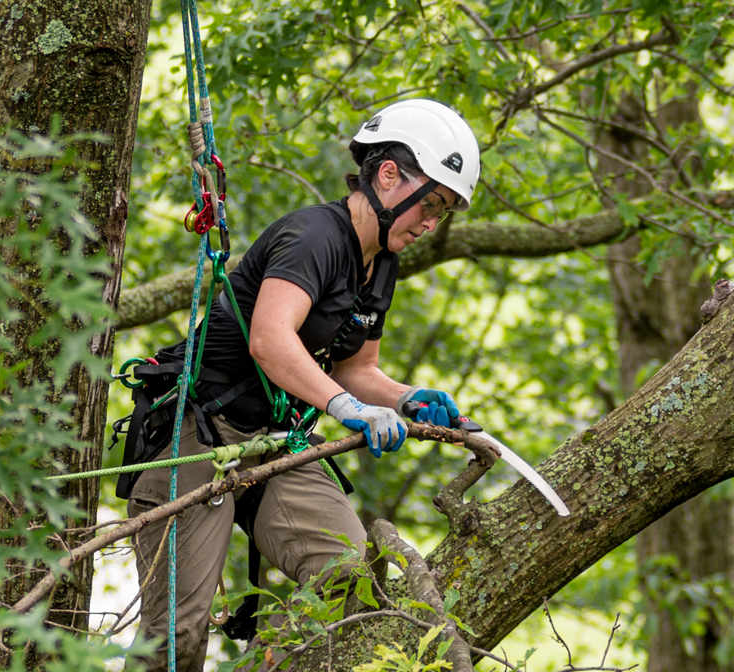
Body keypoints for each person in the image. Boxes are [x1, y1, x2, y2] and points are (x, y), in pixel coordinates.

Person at [124, 99, 481, 671]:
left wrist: (407, 399)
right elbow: (270, 338)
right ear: (389, 176)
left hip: (275, 438)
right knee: (176, 637)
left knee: (347, 575)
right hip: (200, 432)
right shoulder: (315, 235)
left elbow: (357, 368)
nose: (432, 223)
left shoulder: (379, 263)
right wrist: (347, 409)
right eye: (431, 204)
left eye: (444, 212)